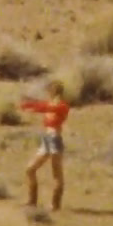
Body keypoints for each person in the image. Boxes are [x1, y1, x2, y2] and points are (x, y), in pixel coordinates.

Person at [20, 80, 70, 211]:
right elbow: (42, 106)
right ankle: (32, 201)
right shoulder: (51, 105)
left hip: (55, 139)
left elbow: (46, 107)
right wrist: (27, 105)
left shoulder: (63, 106)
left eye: (50, 91)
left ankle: (55, 205)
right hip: (47, 139)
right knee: (30, 169)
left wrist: (29, 105)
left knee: (57, 174)